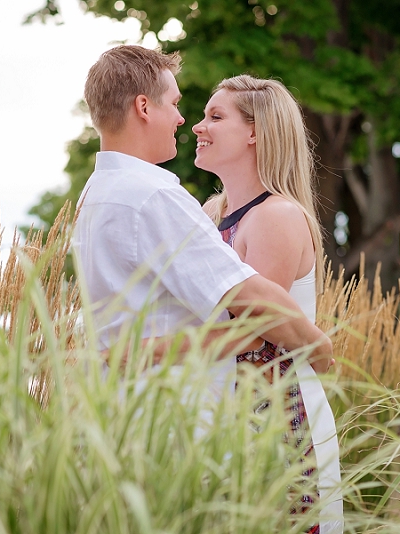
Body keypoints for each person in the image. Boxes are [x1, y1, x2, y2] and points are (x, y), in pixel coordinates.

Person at [72, 44, 332, 407]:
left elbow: (254, 324)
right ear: (144, 107)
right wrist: (321, 344)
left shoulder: (98, 193)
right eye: (176, 104)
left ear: (255, 133)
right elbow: (255, 308)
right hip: (176, 412)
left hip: (273, 408)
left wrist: (145, 349)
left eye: (216, 117)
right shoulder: (156, 196)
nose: (187, 122)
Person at [194, 74, 343, 534]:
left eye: (215, 117)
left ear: (256, 132)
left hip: (280, 418)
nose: (198, 126)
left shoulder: (275, 215)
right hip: (225, 415)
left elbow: (254, 337)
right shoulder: (209, 213)